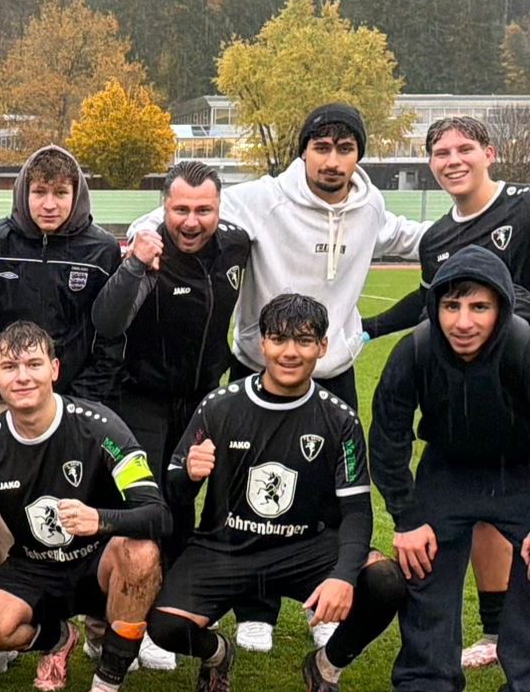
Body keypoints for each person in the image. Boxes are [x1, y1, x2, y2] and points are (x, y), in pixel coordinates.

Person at [128, 103, 424, 654]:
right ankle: (254, 609)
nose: (332, 161)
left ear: (359, 154)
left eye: (345, 149)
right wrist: (143, 235)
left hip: (331, 369)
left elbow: (406, 236)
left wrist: (467, 231)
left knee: (328, 494)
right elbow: (187, 212)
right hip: (254, 365)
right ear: (303, 150)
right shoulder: (264, 197)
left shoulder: (370, 202)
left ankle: (322, 605)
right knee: (237, 488)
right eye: (321, 148)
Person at [147, 292, 406, 692]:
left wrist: (343, 577)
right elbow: (173, 493)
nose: (290, 352)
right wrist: (188, 475)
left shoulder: (339, 419)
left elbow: (358, 512)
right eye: (279, 339)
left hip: (305, 547)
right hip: (225, 546)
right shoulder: (219, 406)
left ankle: (325, 668)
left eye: (304, 341)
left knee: (385, 582)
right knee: (166, 627)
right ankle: (217, 655)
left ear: (322, 347)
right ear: (261, 344)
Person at [363, 115, 530, 672]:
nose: (453, 160)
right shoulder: (436, 238)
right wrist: (368, 328)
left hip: (521, 377)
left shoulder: (523, 209)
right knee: (479, 510)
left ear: (490, 153)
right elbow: (426, 303)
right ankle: (493, 630)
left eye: (464, 148)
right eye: (440, 152)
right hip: (463, 387)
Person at [0, 321, 167, 692]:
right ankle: (56, 638)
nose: (23, 376)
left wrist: (101, 520)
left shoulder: (101, 427)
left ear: (55, 368)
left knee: (141, 552)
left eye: (34, 363)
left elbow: (158, 514)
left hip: (95, 561)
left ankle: (107, 687)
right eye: (10, 366)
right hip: (34, 564)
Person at [90, 160, 252, 670]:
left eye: (203, 209)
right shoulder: (148, 248)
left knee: (187, 503)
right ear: (164, 206)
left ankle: (170, 617)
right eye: (181, 208)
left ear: (219, 208)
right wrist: (135, 265)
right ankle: (120, 620)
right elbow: (107, 322)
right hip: (141, 399)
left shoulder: (237, 246)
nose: (191, 220)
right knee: (142, 504)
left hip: (205, 399)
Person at [368, 248, 530, 692]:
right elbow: (389, 438)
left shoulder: (524, 349)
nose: (463, 322)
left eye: (479, 308)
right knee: (425, 570)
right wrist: (407, 516)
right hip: (448, 471)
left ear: (501, 308)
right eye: (452, 307)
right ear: (435, 308)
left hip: (521, 472)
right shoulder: (415, 351)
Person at [0, 144, 123, 424]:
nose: (49, 204)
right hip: (5, 400)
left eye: (61, 193)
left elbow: (112, 330)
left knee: (70, 469)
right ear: (24, 192)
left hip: (75, 402)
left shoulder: (102, 250)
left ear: (76, 195)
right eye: (39, 192)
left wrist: (87, 392)